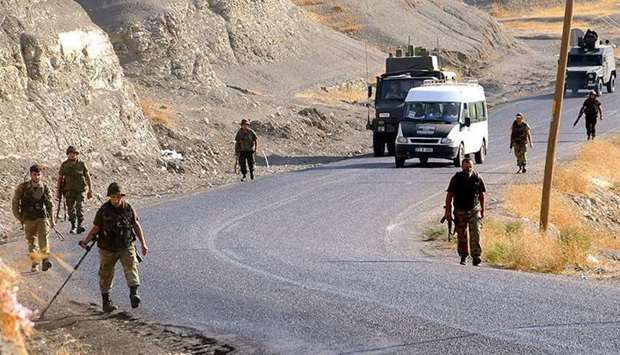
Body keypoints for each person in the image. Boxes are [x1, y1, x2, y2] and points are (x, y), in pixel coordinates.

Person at [79, 183, 148, 313]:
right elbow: (96, 228)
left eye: (118, 196)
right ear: (110, 197)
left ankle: (134, 294)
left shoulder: (128, 208)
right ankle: (106, 302)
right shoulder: (103, 210)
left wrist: (143, 243)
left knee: (131, 267)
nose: (116, 199)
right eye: (113, 197)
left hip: (125, 245)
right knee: (106, 274)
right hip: (107, 248)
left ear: (121, 196)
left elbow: (136, 225)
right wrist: (85, 241)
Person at [12, 165, 55, 272]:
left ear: (41, 175)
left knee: (43, 237)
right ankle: (35, 262)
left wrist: (52, 219)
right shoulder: (23, 187)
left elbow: (50, 204)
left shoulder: (45, 187)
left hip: (41, 217)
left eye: (38, 174)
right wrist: (18, 216)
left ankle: (45, 259)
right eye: (34, 174)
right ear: (31, 175)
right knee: (32, 242)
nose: (36, 177)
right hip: (28, 218)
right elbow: (15, 201)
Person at [444, 158, 486, 266]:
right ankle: (463, 256)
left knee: (476, 232)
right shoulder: (456, 178)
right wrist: (447, 211)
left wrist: (482, 211)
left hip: (474, 209)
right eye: (466, 166)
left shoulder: (477, 177)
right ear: (462, 167)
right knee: (461, 234)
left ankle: (476, 256)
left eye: (470, 166)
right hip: (460, 210)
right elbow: (449, 195)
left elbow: (481, 195)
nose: (468, 168)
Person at [58, 146, 93, 234]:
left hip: (80, 190)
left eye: (73, 153)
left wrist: (90, 189)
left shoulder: (81, 164)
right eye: (70, 153)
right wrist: (58, 191)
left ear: (76, 154)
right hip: (69, 190)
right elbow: (60, 178)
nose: (72, 155)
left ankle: (80, 225)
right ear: (67, 155)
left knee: (79, 206)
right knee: (70, 209)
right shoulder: (64, 165)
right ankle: (73, 225)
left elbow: (88, 177)